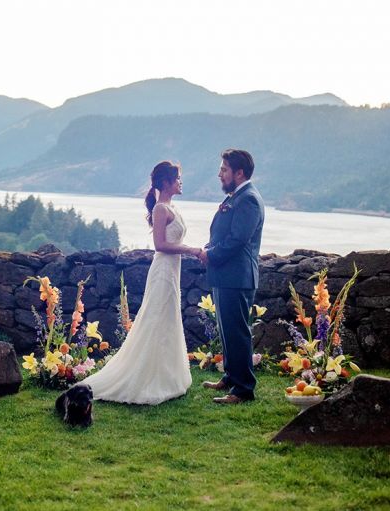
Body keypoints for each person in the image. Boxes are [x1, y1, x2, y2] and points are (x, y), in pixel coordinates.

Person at [73, 160, 202, 405]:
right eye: (177, 178)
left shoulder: (171, 207)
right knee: (156, 319)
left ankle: (167, 376)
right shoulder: (161, 209)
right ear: (166, 183)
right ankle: (147, 378)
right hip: (163, 270)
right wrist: (194, 250)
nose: (180, 182)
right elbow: (161, 245)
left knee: (167, 320)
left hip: (172, 270)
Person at [199, 149, 264, 404]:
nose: (219, 174)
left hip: (237, 277)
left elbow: (238, 240)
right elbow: (224, 234)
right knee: (226, 330)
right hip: (226, 276)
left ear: (239, 173)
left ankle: (244, 389)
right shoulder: (237, 196)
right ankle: (230, 377)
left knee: (237, 332)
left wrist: (210, 255)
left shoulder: (248, 199)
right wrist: (209, 249)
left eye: (224, 170)